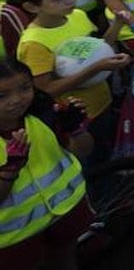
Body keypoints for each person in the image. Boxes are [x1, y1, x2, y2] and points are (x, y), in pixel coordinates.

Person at [13, 0, 131, 162]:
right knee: (93, 163)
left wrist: (117, 25)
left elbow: (98, 49)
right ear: (32, 7)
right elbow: (46, 89)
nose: (70, 0)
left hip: (103, 103)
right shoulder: (34, 43)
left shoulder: (77, 16)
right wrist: (97, 68)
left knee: (111, 153)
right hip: (77, 120)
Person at [0, 58, 92, 269]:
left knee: (64, 259)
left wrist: (75, 129)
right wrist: (10, 170)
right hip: (15, 235)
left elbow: (84, 150)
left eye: (25, 88)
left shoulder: (44, 116)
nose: (17, 100)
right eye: (1, 96)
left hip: (66, 210)